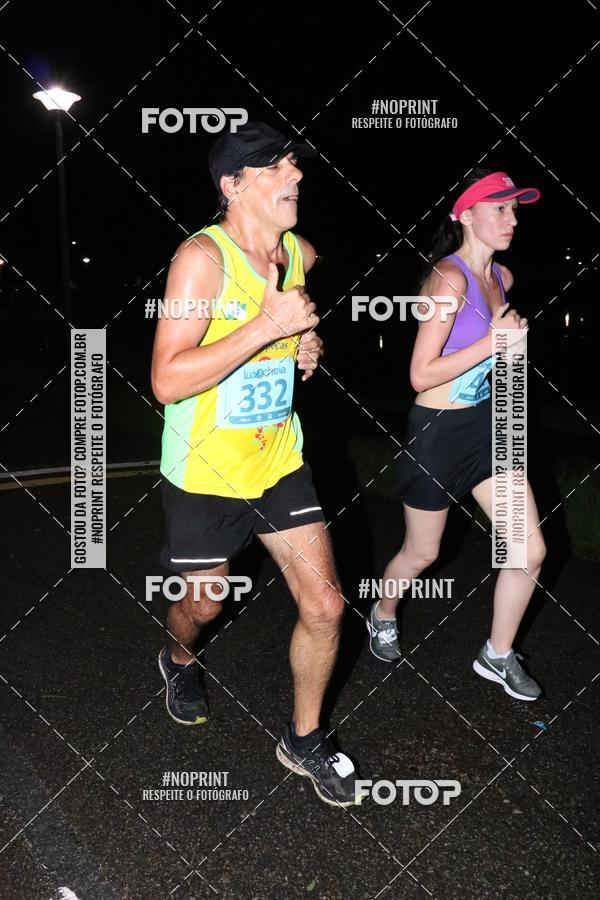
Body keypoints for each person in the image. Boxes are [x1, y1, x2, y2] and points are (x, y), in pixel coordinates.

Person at [151, 121, 363, 806]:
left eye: (295, 163)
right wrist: (266, 329)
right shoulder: (200, 262)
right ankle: (178, 656)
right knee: (205, 605)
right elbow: (166, 379)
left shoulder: (297, 251)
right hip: (206, 471)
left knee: (327, 605)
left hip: (277, 459)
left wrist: (307, 341)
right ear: (233, 186)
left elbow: (299, 314)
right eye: (276, 167)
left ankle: (303, 739)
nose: (295, 175)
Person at [367, 169, 547, 701]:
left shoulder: (503, 279)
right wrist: (496, 342)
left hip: (488, 425)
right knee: (422, 554)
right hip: (439, 434)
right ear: (467, 216)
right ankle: (382, 611)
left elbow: (502, 356)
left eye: (515, 210)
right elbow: (421, 373)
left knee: (528, 551)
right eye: (500, 209)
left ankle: (496, 654)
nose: (512, 219)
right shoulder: (448, 280)